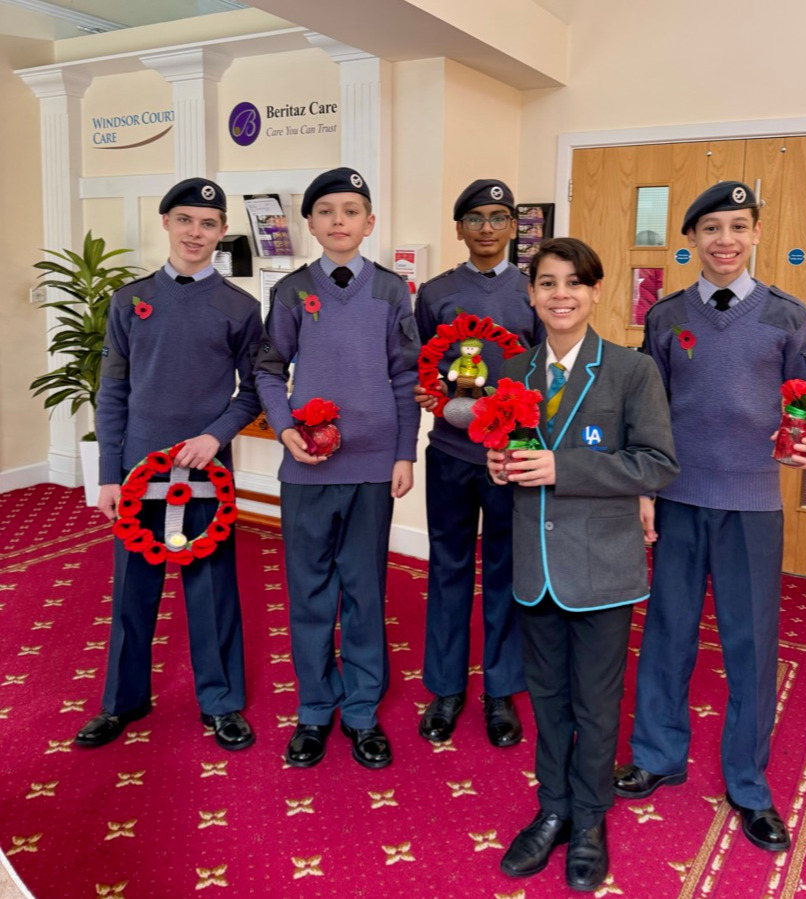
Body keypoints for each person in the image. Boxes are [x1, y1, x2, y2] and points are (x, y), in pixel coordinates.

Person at [613, 182, 806, 853]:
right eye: (710, 228)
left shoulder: (786, 315)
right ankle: (655, 753)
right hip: (676, 497)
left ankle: (747, 783)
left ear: (757, 232)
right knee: (667, 632)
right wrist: (642, 490)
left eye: (737, 226)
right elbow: (647, 410)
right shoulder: (665, 313)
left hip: (752, 503)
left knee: (749, 644)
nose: (723, 240)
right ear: (692, 240)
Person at [488, 237, 679, 891]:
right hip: (534, 563)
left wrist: (560, 467)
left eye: (573, 282)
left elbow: (656, 463)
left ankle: (591, 817)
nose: (560, 294)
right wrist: (501, 463)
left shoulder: (631, 370)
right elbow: (510, 451)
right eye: (546, 283)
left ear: (595, 291)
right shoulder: (514, 371)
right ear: (532, 294)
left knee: (596, 705)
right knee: (547, 699)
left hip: (601, 568)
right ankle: (554, 808)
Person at [75, 178, 263, 752]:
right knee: (133, 588)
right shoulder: (129, 301)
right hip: (137, 472)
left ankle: (221, 702)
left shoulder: (240, 306)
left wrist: (214, 436)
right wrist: (110, 473)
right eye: (185, 220)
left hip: (206, 474)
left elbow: (253, 391)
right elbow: (112, 393)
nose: (195, 233)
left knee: (212, 588)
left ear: (222, 232)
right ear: (166, 223)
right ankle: (122, 701)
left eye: (208, 223)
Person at [255, 167, 420, 770]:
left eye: (351, 211)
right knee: (310, 592)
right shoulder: (294, 290)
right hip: (308, 465)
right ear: (311, 224)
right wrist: (284, 427)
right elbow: (269, 369)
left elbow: (406, 375)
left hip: (374, 466)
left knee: (364, 590)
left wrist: (404, 451)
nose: (339, 221)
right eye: (326, 211)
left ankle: (361, 712)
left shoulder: (391, 290)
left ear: (369, 223)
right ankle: (315, 710)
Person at [414, 179, 543, 749]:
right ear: (459, 227)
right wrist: (428, 393)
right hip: (449, 452)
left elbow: (546, 369)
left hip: (509, 456)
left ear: (514, 226)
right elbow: (423, 361)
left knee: (504, 572)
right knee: (446, 567)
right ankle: (445, 688)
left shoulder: (534, 290)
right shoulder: (437, 292)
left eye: (498, 217)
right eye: (475, 217)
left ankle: (499, 689)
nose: (486, 227)